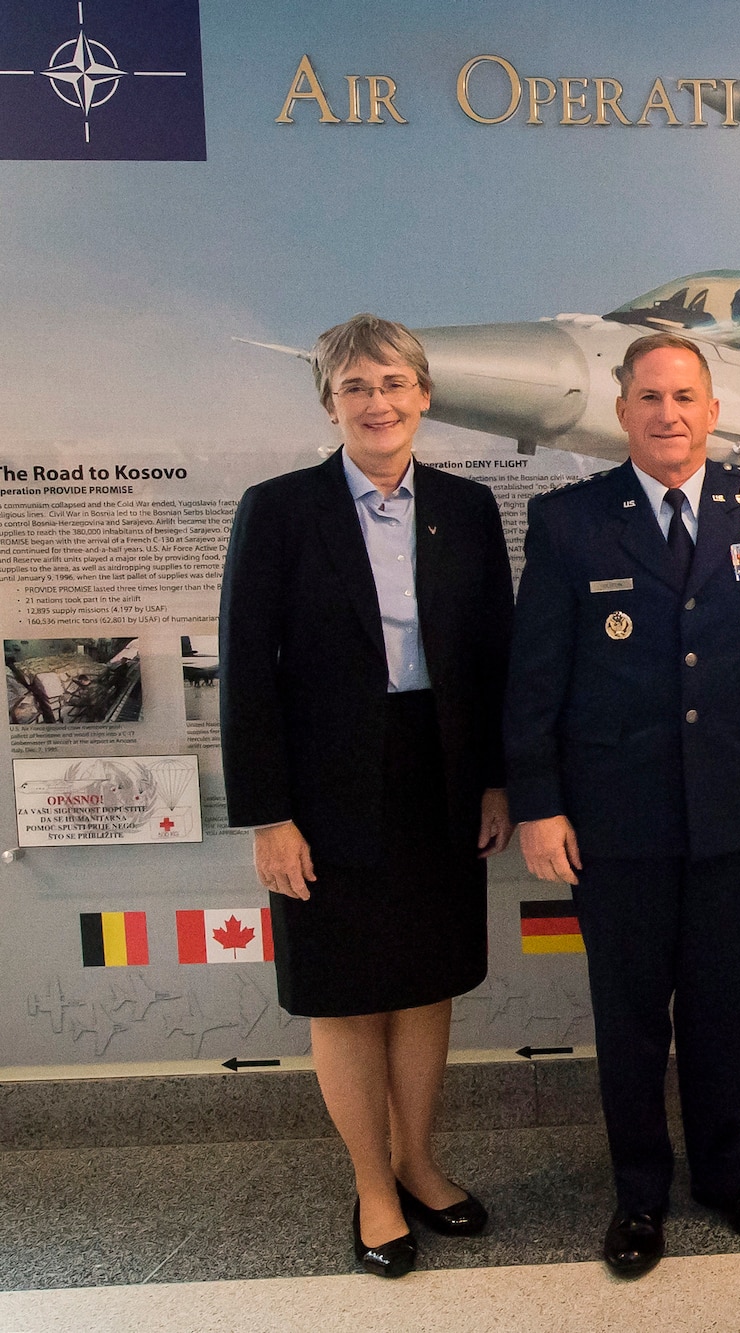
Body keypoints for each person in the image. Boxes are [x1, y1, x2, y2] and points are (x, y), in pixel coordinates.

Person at [505, 332, 740, 1277]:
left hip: (732, 805)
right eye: (648, 397)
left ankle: (726, 1172)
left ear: (713, 411)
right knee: (631, 1012)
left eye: (685, 397)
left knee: (723, 1004)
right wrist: (539, 802)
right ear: (622, 411)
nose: (668, 414)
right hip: (616, 813)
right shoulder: (568, 521)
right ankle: (639, 1193)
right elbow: (534, 677)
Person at [220, 314, 515, 1279]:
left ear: (423, 394)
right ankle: (374, 1186)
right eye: (355, 388)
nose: (377, 403)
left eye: (393, 383)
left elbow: (492, 658)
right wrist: (269, 815)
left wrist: (496, 780)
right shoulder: (281, 508)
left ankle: (420, 1162)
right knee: (344, 996)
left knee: (426, 985)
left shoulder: (468, 509)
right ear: (330, 403)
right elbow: (247, 673)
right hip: (324, 788)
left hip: (437, 775)